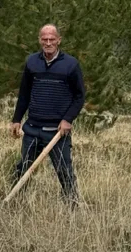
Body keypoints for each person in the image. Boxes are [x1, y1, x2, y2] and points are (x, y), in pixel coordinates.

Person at [10, 24, 85, 206]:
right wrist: (17, 119)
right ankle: (15, 202)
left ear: (59, 40)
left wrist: (67, 119)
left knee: (64, 171)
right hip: (32, 128)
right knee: (24, 167)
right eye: (45, 39)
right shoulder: (32, 62)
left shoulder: (71, 65)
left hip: (57, 132)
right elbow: (24, 93)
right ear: (39, 40)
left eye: (52, 39)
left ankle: (72, 205)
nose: (48, 42)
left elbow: (79, 96)